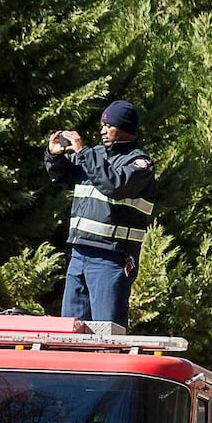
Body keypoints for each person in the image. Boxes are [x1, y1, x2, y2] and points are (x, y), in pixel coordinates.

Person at [44, 100, 157, 326]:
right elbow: (61, 177)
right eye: (102, 125)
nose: (102, 130)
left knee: (107, 334)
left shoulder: (139, 163)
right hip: (79, 254)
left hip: (111, 257)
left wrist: (82, 151)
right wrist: (53, 155)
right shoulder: (94, 154)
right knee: (71, 330)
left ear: (125, 129)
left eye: (109, 125)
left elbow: (114, 185)